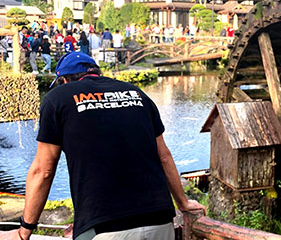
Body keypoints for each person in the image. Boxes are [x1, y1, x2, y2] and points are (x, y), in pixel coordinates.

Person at [0, 52, 205, 240]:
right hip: (160, 220)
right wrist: (183, 203)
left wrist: (24, 230)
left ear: (63, 80)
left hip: (106, 228)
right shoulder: (137, 93)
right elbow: (164, 156)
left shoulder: (57, 98)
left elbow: (43, 171)